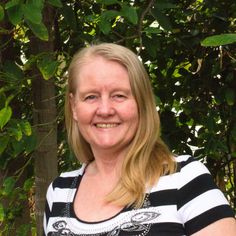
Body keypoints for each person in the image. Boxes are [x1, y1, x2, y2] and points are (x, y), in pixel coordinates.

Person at [43, 43, 236, 236]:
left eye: (119, 95)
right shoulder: (59, 191)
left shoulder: (183, 179)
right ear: (74, 107)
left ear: (141, 104)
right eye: (91, 97)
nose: (105, 110)